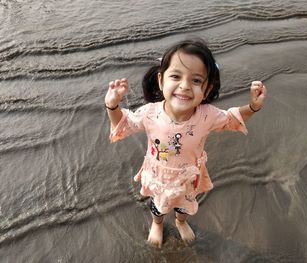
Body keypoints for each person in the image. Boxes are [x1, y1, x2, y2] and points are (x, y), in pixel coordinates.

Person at [104, 39, 266, 248]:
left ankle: (181, 223)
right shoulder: (150, 113)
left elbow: (231, 120)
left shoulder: (207, 116)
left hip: (188, 177)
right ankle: (157, 224)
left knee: (184, 206)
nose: (185, 85)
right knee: (158, 205)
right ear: (161, 81)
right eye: (176, 76)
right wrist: (112, 106)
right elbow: (123, 125)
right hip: (159, 175)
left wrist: (252, 107)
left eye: (196, 80)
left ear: (207, 90)